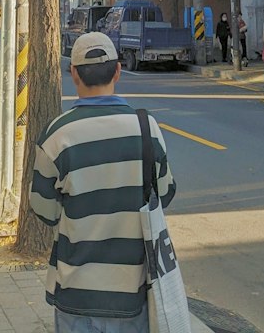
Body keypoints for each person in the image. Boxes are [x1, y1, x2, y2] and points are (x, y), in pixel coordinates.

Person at [30, 31, 176, 332]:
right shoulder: (146, 128)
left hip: (75, 293)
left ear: (73, 74)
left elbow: (44, 209)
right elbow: (165, 193)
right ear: (118, 71)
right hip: (131, 295)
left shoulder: (56, 135)